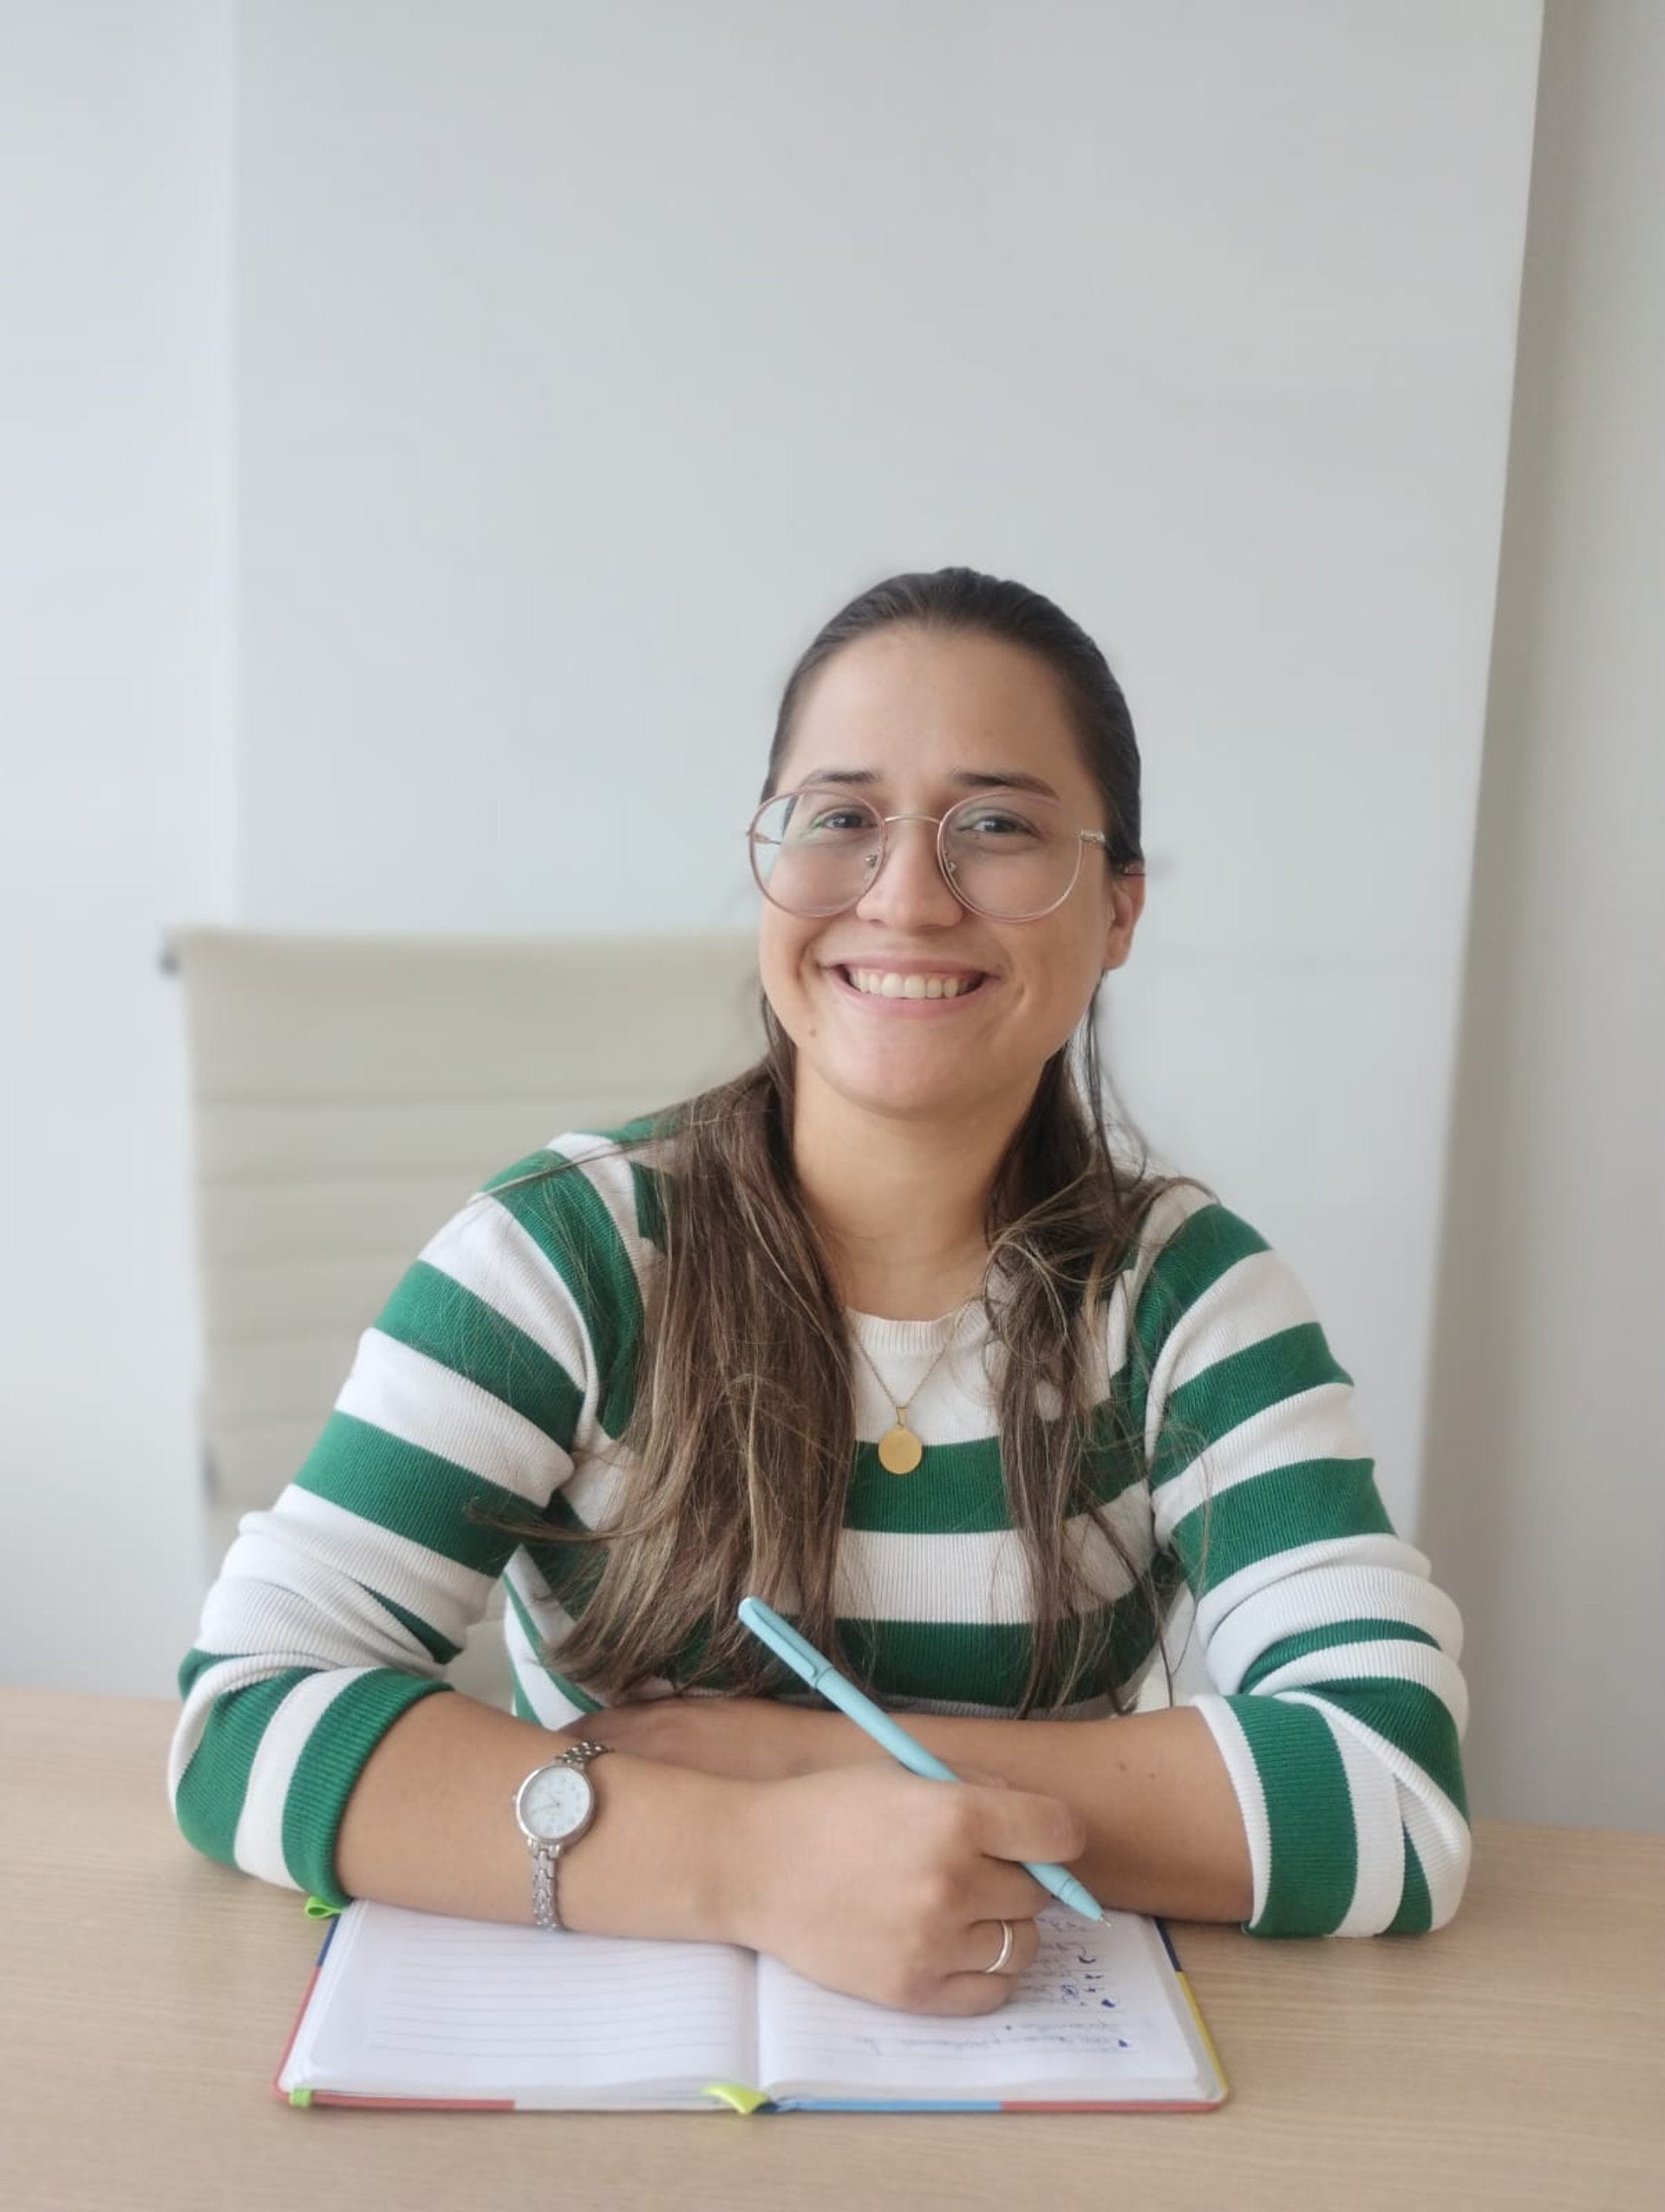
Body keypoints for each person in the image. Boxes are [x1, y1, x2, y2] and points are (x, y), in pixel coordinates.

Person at [169, 566, 1469, 2016]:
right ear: (768, 863)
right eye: (841, 818)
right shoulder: (563, 1253)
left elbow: (1392, 1791)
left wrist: (800, 1755)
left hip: (1025, 2057)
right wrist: (748, 1860)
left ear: (1117, 910)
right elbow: (242, 1718)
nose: (906, 895)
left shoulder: (1187, 1299)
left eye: (998, 827)